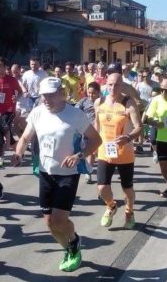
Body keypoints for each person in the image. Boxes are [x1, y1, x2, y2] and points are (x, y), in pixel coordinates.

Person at [11, 77, 102, 272]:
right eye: (44, 95)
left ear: (61, 94)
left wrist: (79, 156)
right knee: (49, 223)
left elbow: (96, 140)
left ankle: (74, 241)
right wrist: (18, 152)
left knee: (60, 219)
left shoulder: (75, 115)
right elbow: (26, 137)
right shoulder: (37, 113)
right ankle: (68, 248)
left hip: (68, 173)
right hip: (46, 172)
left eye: (51, 95)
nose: (46, 99)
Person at [93, 71, 142, 229]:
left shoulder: (128, 103)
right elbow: (97, 125)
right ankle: (111, 206)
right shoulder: (99, 102)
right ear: (106, 84)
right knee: (102, 187)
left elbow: (139, 127)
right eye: (110, 84)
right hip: (105, 150)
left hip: (124, 153)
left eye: (117, 84)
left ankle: (129, 211)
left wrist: (128, 137)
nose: (113, 87)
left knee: (127, 188)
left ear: (122, 86)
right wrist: (93, 144)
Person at [75, 82, 101, 183]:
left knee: (96, 153)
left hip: (101, 130)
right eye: (89, 93)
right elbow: (75, 111)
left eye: (93, 93)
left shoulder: (103, 102)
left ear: (98, 93)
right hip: (87, 130)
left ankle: (93, 173)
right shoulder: (84, 101)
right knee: (88, 151)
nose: (90, 95)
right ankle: (89, 171)